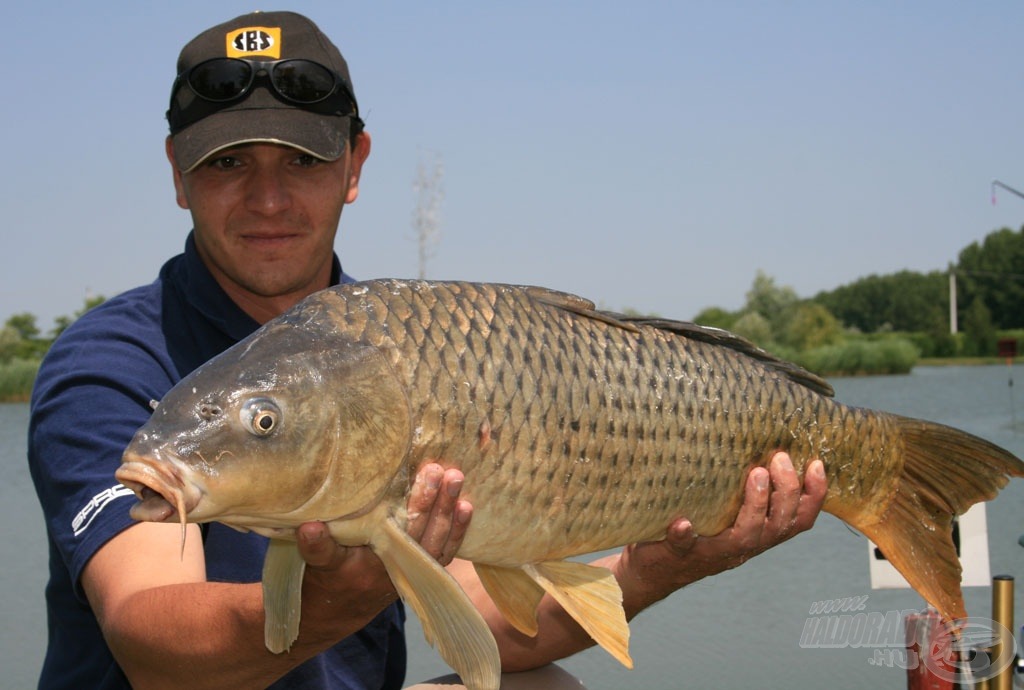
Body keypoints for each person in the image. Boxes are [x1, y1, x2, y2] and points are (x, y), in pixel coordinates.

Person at [27, 10, 827, 690]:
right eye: (228, 163)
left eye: (303, 161)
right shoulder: (111, 361)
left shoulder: (411, 356)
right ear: (178, 174)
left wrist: (657, 570)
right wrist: (339, 599)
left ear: (355, 166)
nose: (268, 198)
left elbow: (489, 617)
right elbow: (147, 636)